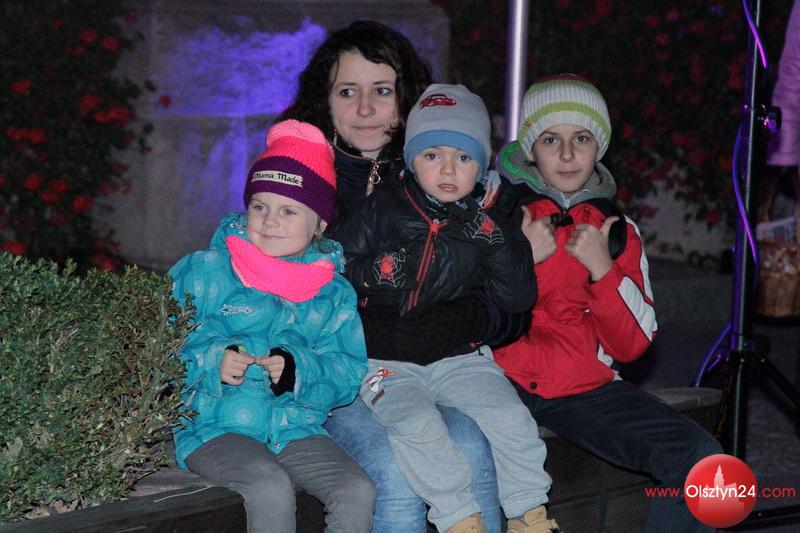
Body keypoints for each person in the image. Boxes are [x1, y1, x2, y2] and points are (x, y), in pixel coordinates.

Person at [279, 20, 513, 532]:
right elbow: (279, 299)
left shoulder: (446, 170)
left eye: (382, 91)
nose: (365, 109)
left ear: (407, 99)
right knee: (391, 467)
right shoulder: (295, 181)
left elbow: (510, 303)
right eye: (348, 92)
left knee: (472, 445)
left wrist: (461, 322)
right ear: (324, 101)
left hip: (433, 368)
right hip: (333, 377)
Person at [493, 74, 724, 532]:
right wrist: (518, 258)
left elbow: (632, 345)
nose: (566, 154)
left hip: (580, 387)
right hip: (496, 381)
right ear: (529, 149)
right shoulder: (496, 214)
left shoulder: (617, 231)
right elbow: (463, 315)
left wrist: (604, 271)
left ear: (599, 147)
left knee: (702, 462)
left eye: (581, 138)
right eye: (550, 139)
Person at [333, 83, 557, 533]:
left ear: (482, 165)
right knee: (415, 422)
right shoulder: (384, 207)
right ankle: (459, 518)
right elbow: (335, 263)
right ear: (411, 159)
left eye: (464, 157)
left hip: (459, 358)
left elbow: (517, 299)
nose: (448, 169)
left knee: (509, 417)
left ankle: (529, 513)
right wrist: (377, 272)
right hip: (384, 361)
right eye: (432, 155)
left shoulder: (491, 219)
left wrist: (497, 244)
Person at [168, 120, 375, 532]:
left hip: (295, 430)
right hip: (214, 427)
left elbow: (348, 370)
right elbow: (160, 346)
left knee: (357, 489)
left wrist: (299, 371)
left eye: (288, 211)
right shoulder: (205, 271)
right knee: (269, 486)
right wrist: (213, 361)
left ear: (319, 224)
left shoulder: (333, 293)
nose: (269, 221)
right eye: (260, 206)